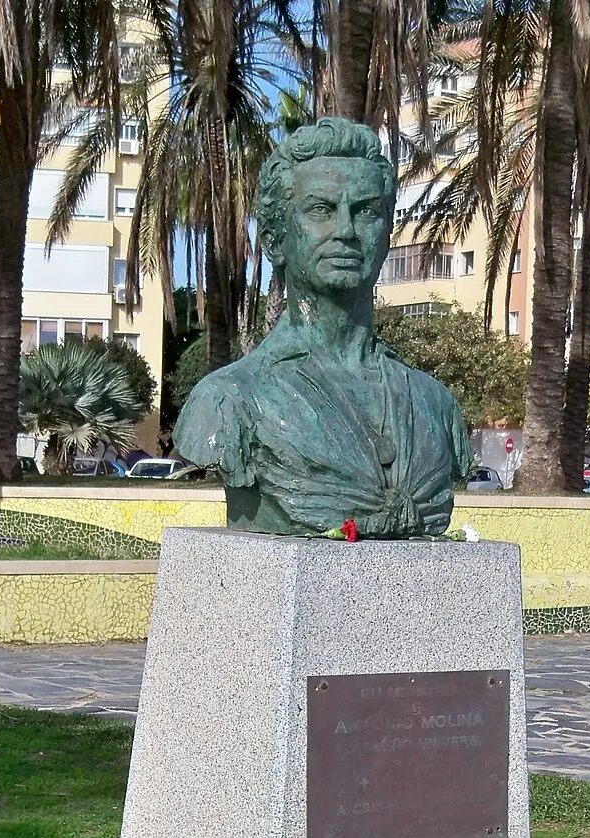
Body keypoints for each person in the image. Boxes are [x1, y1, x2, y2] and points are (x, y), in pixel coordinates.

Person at [174, 118, 470, 538]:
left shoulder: (436, 405)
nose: (346, 231)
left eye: (366, 211)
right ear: (276, 240)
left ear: (386, 234)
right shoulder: (229, 400)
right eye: (321, 210)